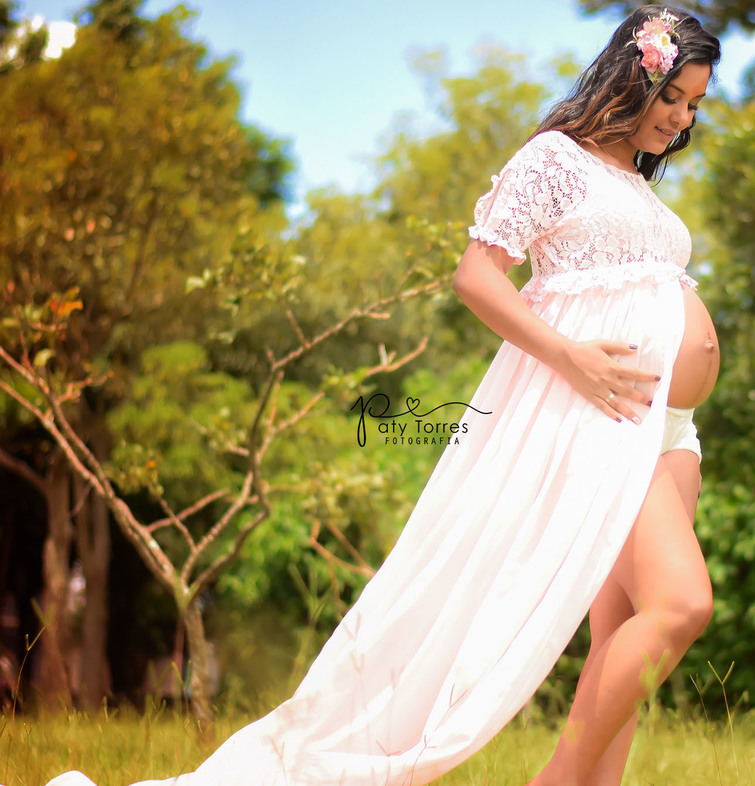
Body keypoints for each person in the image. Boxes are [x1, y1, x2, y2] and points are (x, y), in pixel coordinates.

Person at [45, 5, 721, 785]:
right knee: (682, 606)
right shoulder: (556, 160)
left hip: (672, 426)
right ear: (634, 74)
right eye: (673, 97)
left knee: (626, 629)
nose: (681, 118)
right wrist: (571, 357)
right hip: (604, 415)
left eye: (694, 105)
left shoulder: (637, 183)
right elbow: (476, 277)